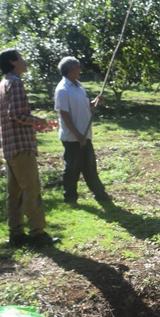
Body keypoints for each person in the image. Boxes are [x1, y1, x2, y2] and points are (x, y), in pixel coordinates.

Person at [0, 49, 58, 247]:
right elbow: (17, 114)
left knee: (14, 192)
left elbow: (13, 116)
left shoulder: (4, 83)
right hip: (22, 148)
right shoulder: (16, 83)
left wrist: (33, 124)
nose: (25, 60)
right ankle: (37, 233)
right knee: (31, 189)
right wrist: (37, 120)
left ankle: (17, 234)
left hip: (10, 145)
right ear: (13, 62)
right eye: (21, 57)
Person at [54, 56, 110, 205]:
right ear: (71, 69)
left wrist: (95, 102)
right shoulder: (62, 90)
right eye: (78, 68)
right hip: (72, 138)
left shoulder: (78, 86)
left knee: (90, 166)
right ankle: (70, 198)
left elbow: (86, 106)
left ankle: (100, 194)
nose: (80, 71)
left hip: (85, 135)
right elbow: (64, 115)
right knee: (72, 169)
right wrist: (78, 135)